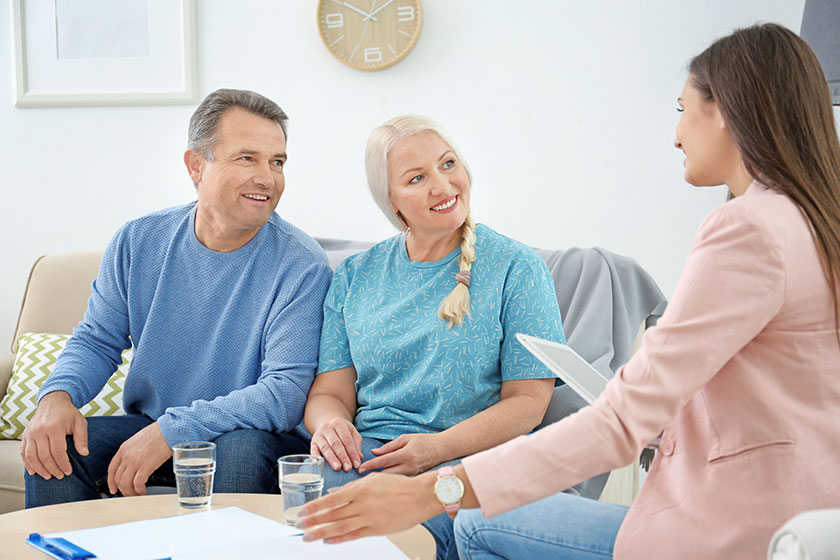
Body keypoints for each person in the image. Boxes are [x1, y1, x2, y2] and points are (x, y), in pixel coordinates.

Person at [295, 23, 840, 559]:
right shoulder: (810, 222)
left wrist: (431, 490)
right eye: (415, 177)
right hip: (798, 512)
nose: (677, 135)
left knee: (474, 521)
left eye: (682, 108)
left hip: (738, 528)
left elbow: (617, 421)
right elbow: (766, 396)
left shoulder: (746, 229)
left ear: (722, 111)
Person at [22, 89, 333, 507]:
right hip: (153, 425)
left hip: (250, 437)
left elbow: (284, 392)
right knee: (52, 448)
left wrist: (173, 431)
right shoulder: (138, 240)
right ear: (196, 165)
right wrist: (56, 397)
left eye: (277, 162)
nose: (268, 178)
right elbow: (97, 340)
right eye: (247, 158)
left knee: (240, 449)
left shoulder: (301, 263)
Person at [303, 115, 566, 559]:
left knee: (412, 535)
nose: (443, 186)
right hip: (372, 453)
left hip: (470, 456)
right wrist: (330, 424)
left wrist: (437, 449)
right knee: (327, 525)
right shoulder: (354, 275)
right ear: (391, 200)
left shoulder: (517, 267)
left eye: (448, 164)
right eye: (417, 178)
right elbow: (331, 391)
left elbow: (528, 402)